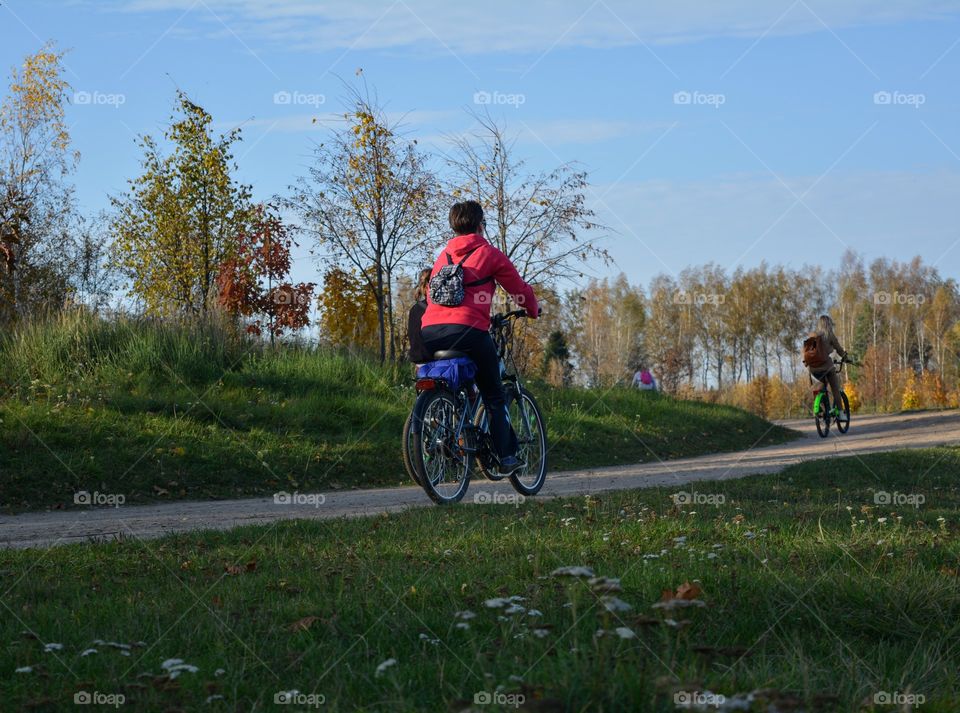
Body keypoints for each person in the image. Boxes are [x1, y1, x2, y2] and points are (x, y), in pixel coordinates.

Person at [420, 200, 539, 475]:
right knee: (494, 394)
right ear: (480, 225)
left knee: (464, 380)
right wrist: (533, 309)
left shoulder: (443, 256)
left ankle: (454, 423)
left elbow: (432, 294)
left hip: (430, 332)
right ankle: (506, 457)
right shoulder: (489, 254)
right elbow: (519, 290)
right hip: (468, 331)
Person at [805, 314, 848, 416]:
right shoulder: (829, 335)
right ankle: (841, 413)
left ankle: (820, 408)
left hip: (813, 368)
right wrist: (845, 357)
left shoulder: (813, 336)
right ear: (828, 324)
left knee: (819, 386)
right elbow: (839, 349)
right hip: (826, 367)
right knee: (835, 388)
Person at [407, 268, 433, 365]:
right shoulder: (442, 307)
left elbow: (414, 339)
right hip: (439, 359)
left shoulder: (415, 309)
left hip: (419, 360)